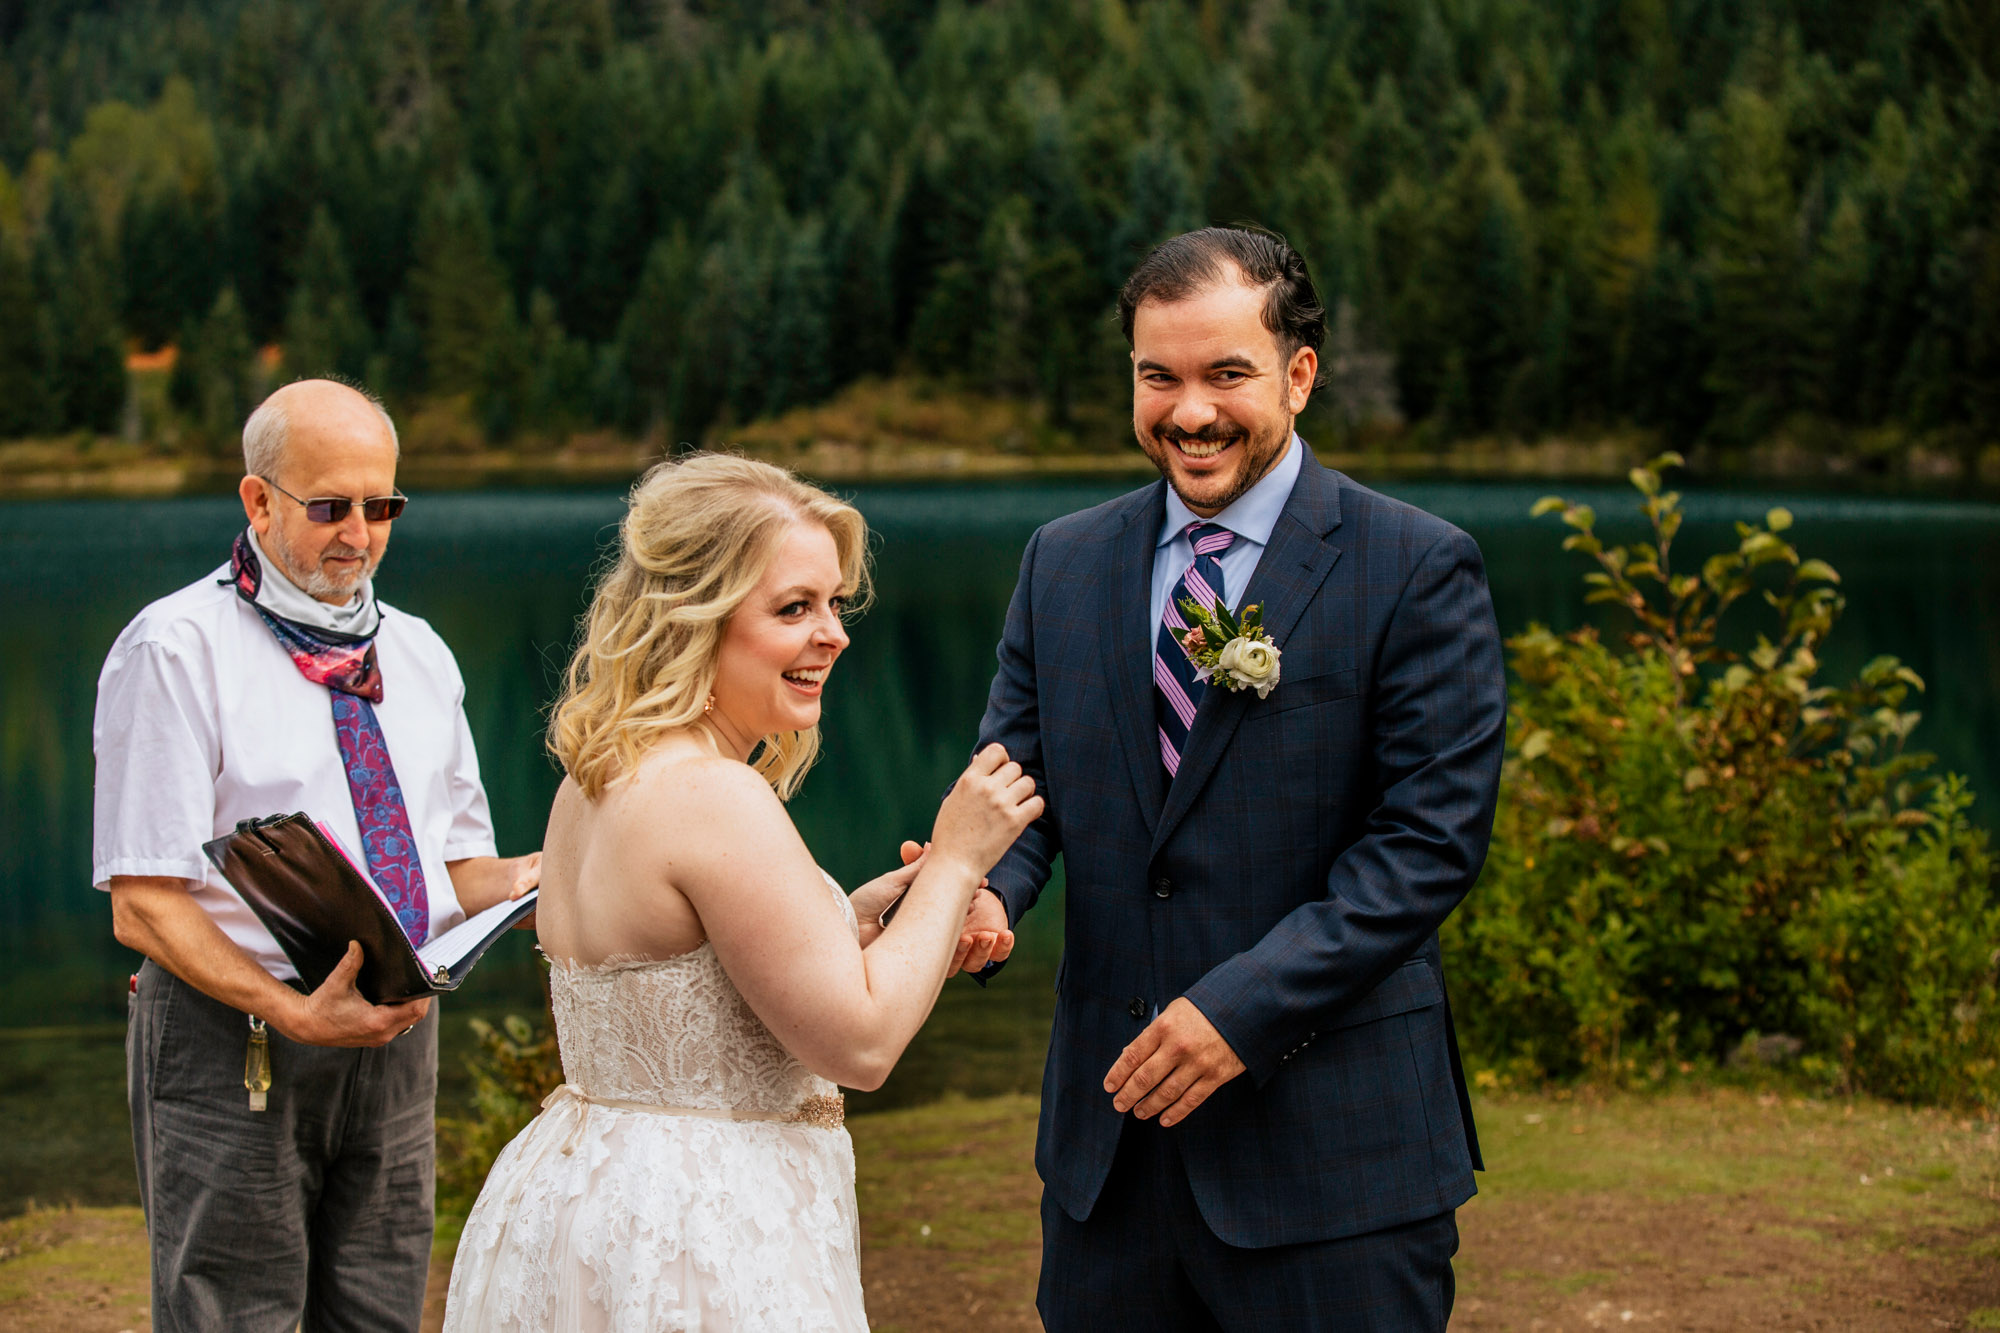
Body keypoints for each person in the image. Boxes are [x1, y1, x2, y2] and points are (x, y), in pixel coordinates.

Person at [967, 226, 1506, 1329]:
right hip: (1107, 1165)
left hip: (1333, 1159)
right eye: (1156, 376)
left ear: (1298, 375)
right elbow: (1017, 785)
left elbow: (1424, 846)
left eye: (1225, 375)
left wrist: (1238, 1010)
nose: (1189, 411)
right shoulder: (1058, 562)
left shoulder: (1414, 566)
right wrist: (984, 891)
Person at [442, 452, 1040, 1332]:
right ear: (694, 619)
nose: (832, 633)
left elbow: (694, 981)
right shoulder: (717, 795)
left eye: (835, 603)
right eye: (793, 608)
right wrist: (956, 859)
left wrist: (853, 916)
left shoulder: (595, 778)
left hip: (581, 1196)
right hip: (698, 1233)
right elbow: (863, 1046)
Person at [94, 379, 542, 1332]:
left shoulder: (421, 654)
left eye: (382, 507)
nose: (360, 532)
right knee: (233, 1313)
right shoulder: (176, 648)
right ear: (257, 500)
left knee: (379, 1310)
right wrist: (295, 1010)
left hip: (397, 1034)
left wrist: (549, 872)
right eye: (329, 505)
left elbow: (459, 873)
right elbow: (142, 900)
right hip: (237, 1036)